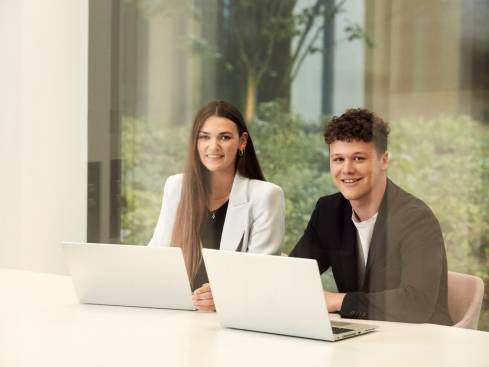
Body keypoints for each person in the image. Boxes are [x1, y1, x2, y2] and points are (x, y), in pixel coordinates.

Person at [290, 108, 453, 325]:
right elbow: (294, 275)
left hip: (420, 344)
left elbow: (416, 303)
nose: (347, 169)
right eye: (338, 159)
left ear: (383, 160)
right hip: (362, 337)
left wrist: (339, 301)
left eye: (358, 158)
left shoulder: (416, 219)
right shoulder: (328, 211)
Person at [149, 100, 285, 312]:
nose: (213, 147)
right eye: (204, 137)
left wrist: (224, 295)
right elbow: (155, 256)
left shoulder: (265, 196)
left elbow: (262, 274)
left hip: (233, 319)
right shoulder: (176, 187)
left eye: (224, 137)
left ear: (242, 142)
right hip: (178, 313)